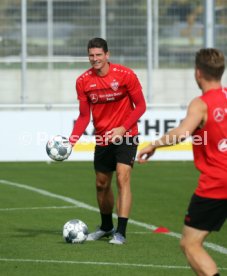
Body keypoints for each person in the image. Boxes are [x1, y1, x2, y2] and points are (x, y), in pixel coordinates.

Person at [137, 48, 227, 275]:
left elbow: (181, 133)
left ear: (198, 73)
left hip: (218, 183)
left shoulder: (201, 104)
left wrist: (154, 144)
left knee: (190, 244)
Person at [69, 37, 146, 245]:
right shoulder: (83, 81)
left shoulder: (125, 75)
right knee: (101, 184)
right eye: (91, 55)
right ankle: (106, 227)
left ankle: (120, 232)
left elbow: (140, 106)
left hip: (127, 134)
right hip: (102, 138)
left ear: (107, 55)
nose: (95, 59)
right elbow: (84, 116)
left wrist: (122, 128)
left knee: (123, 177)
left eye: (99, 55)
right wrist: (72, 141)